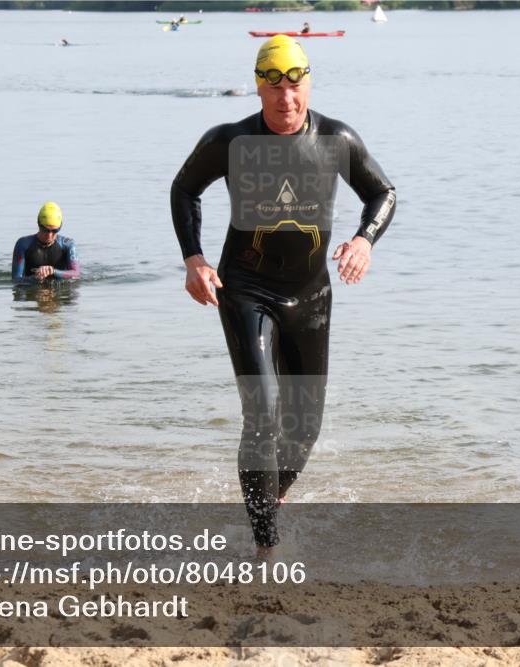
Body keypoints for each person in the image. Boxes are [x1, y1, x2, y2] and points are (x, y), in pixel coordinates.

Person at [170, 35, 396, 560]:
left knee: (304, 429)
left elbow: (383, 193)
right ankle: (266, 548)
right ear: (259, 88)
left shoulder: (336, 140)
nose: (286, 100)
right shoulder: (230, 141)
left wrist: (364, 240)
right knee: (264, 412)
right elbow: (184, 189)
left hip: (310, 297)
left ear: (308, 85)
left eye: (295, 87)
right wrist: (194, 259)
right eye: (274, 89)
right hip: (246, 290)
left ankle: (267, 499)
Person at [12, 202, 80, 284]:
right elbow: (16, 279)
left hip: (59, 289)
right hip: (33, 288)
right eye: (45, 230)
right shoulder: (23, 244)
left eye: (55, 230)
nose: (49, 235)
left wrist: (53, 271)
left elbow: (76, 274)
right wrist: (35, 278)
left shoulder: (68, 244)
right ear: (39, 224)